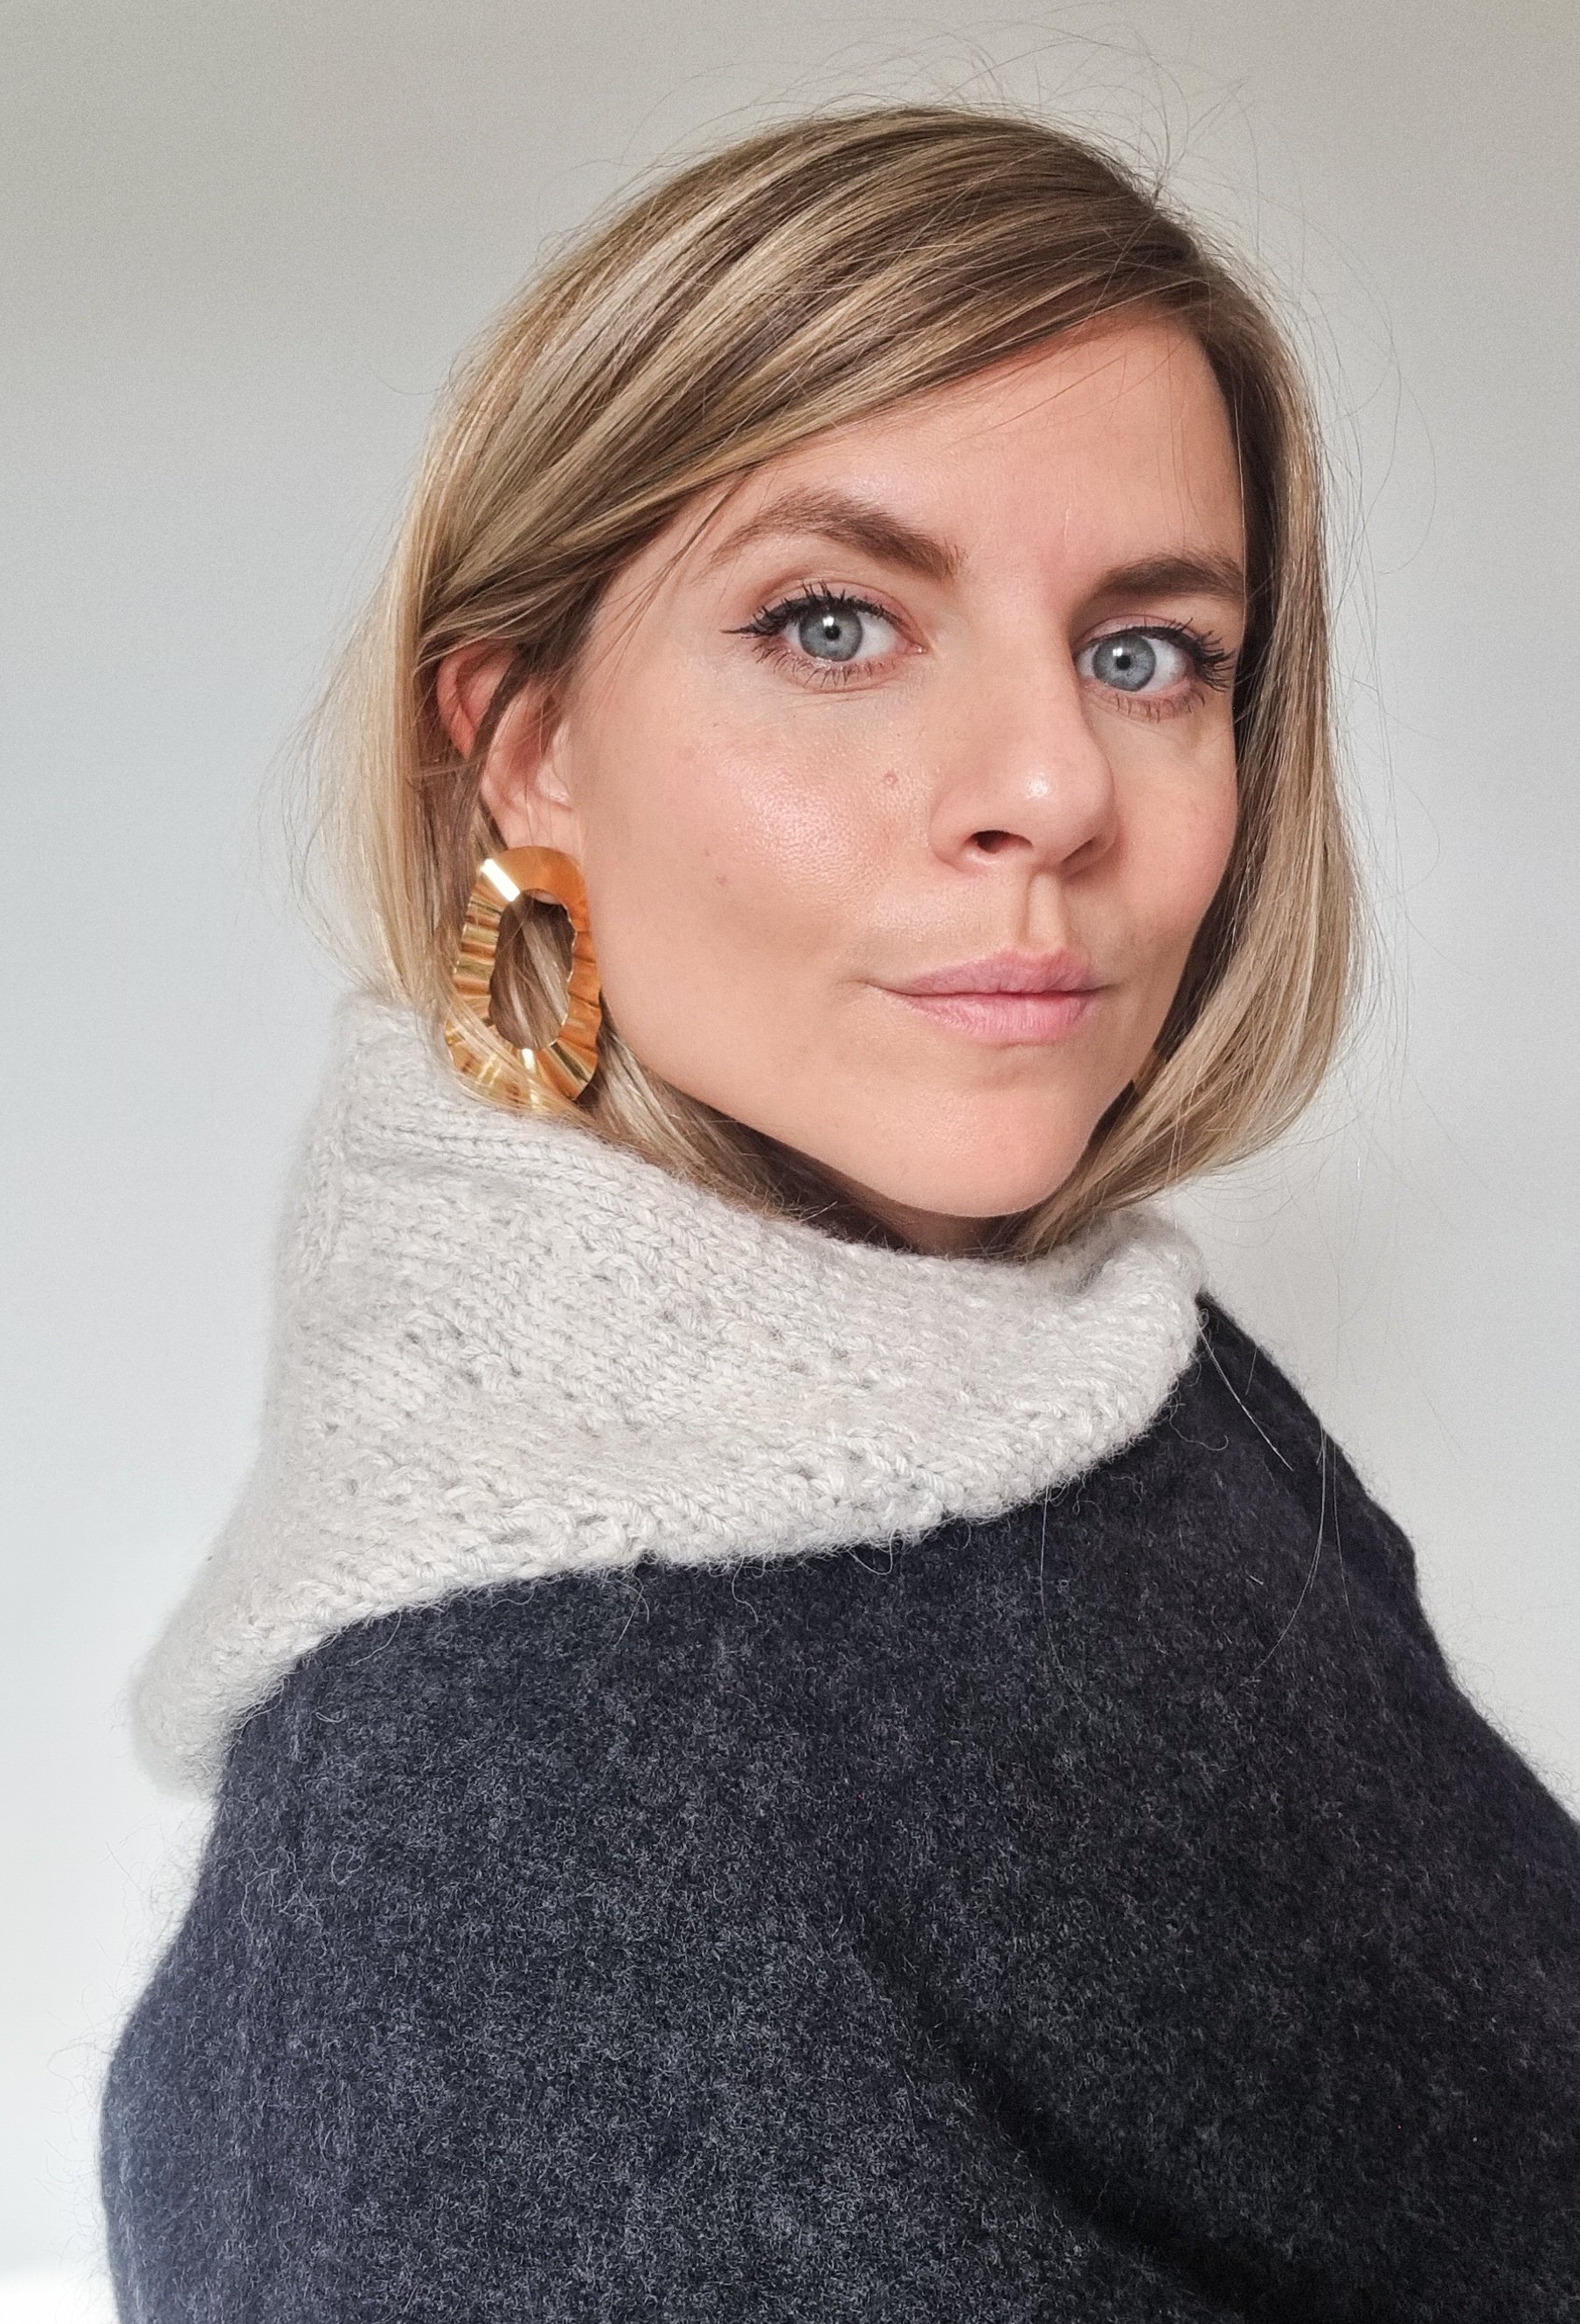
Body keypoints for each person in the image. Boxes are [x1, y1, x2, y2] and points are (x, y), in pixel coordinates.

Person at [99, 106, 1580, 2319]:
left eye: (1149, 651)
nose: (1053, 788)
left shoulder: (1070, 1362)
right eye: (832, 623)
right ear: (523, 744)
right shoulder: (520, 1851)